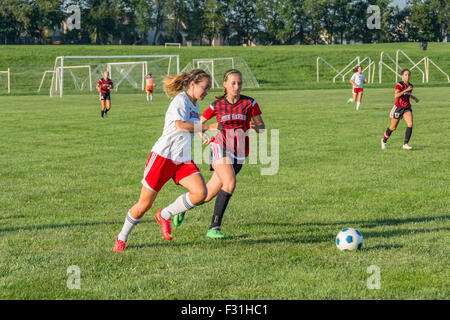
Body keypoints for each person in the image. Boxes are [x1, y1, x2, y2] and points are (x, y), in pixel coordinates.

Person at [113, 69, 220, 252]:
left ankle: (165, 214)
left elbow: (189, 124)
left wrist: (201, 132)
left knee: (200, 193)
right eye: (205, 87)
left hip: (182, 160)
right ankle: (121, 238)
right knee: (144, 205)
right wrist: (208, 126)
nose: (207, 92)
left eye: (209, 88)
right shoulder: (181, 100)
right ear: (192, 85)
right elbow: (179, 125)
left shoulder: (193, 104)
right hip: (163, 157)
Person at [172, 69, 265, 239]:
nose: (236, 87)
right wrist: (203, 133)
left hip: (240, 152)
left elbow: (262, 127)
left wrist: (255, 127)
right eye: (233, 83)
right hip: (220, 147)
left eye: (239, 83)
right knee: (229, 183)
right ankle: (214, 228)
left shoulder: (250, 103)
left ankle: (183, 207)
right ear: (225, 85)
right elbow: (198, 122)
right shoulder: (217, 105)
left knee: (206, 195)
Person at [381, 69, 420, 150]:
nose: (407, 76)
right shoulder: (399, 84)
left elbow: (408, 94)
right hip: (398, 108)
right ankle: (384, 141)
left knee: (410, 124)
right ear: (402, 76)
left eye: (409, 75)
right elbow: (396, 95)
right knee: (393, 127)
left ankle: (405, 144)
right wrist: (406, 90)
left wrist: (414, 98)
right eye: (405, 75)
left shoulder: (410, 85)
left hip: (407, 108)